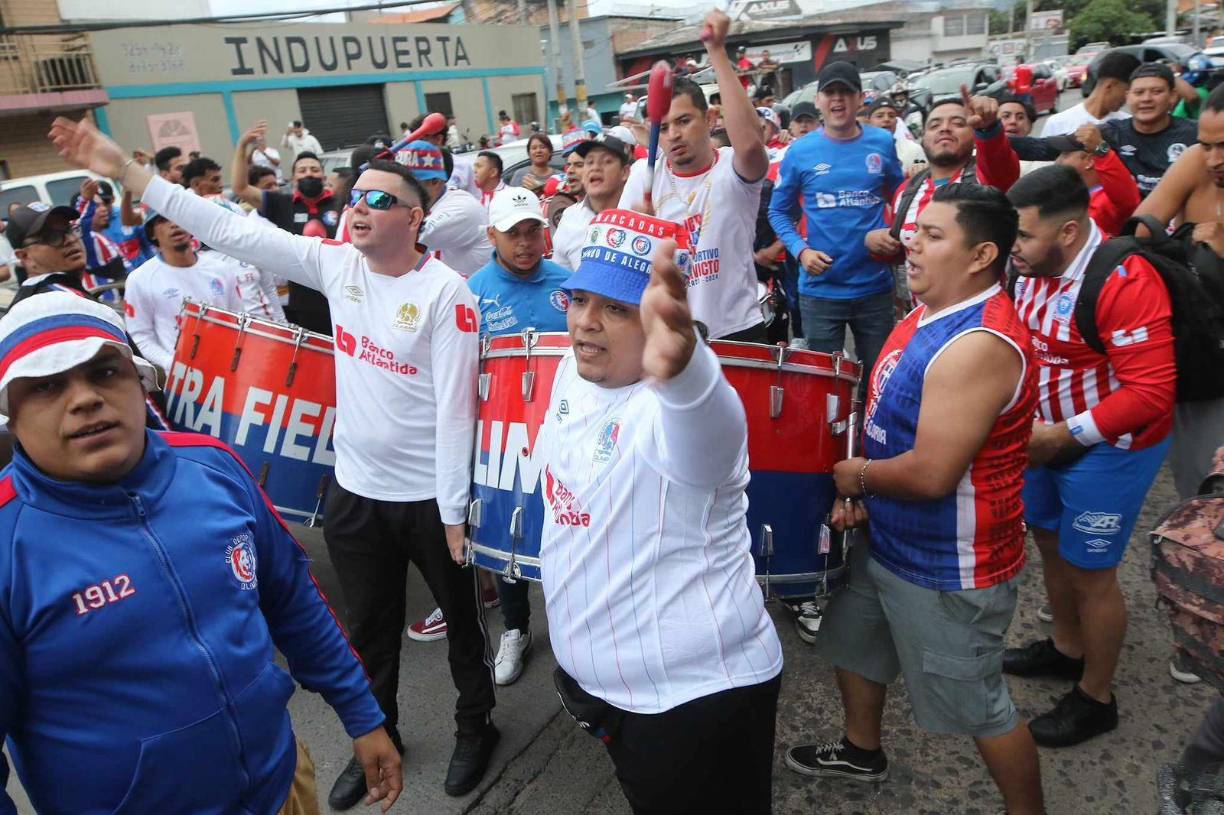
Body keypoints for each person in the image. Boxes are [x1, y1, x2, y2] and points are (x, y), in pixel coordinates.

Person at [50, 115, 500, 806]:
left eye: (379, 200)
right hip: (355, 494)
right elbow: (230, 229)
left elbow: (455, 413)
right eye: (356, 195)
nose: (359, 207)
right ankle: (379, 735)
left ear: (416, 218)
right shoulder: (336, 265)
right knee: (370, 634)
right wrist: (128, 171)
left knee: (463, 627)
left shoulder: (447, 295)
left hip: (428, 503)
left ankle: (476, 727)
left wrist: (451, 511)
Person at [0, 293, 403, 814]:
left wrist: (363, 715)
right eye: (49, 385)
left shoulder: (213, 466)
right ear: (11, 411)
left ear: (138, 382)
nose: (84, 399)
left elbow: (295, 601)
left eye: (104, 372)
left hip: (282, 787)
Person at [789, 183, 1043, 815]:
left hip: (947, 565)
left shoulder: (978, 343)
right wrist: (867, 493)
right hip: (889, 536)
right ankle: (860, 749)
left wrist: (858, 479)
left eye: (932, 235)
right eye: (915, 229)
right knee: (853, 646)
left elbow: (932, 473)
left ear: (982, 254)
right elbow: (887, 420)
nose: (912, 242)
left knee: (979, 706)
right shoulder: (927, 310)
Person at [538, 210, 783, 812]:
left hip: (691, 704)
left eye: (618, 310)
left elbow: (709, 435)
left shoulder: (668, 408)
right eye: (579, 300)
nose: (587, 323)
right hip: (614, 694)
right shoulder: (576, 368)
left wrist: (689, 370)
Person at [1004, 165, 1176, 747]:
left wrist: (1064, 435)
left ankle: (1096, 698)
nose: (1013, 247)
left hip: (1112, 447)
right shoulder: (1032, 265)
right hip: (1046, 438)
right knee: (1049, 538)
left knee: (1092, 570)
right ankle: (1066, 649)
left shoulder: (1125, 280)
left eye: (1023, 235)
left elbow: (1153, 391)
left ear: (1071, 233)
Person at [453, 187, 571, 685]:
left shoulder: (570, 281)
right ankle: (517, 627)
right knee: (512, 531)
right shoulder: (471, 292)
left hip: (568, 428)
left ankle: (576, 632)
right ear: (491, 236)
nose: (525, 243)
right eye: (513, 234)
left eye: (532, 232)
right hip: (502, 435)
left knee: (572, 527)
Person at [619, 10, 770, 342]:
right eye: (666, 126)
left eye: (684, 121)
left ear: (711, 118)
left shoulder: (733, 168)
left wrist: (717, 50)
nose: (674, 134)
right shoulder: (643, 179)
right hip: (670, 337)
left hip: (738, 331)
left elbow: (749, 143)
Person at [769, 61, 904, 404]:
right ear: (818, 100)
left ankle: (870, 448)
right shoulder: (800, 151)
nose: (838, 99)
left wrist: (893, 233)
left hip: (874, 288)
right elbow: (778, 211)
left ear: (860, 98)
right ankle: (829, 454)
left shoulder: (882, 143)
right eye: (831, 92)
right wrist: (801, 250)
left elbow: (901, 198)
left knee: (879, 381)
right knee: (827, 389)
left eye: (846, 92)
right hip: (821, 291)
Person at [1135, 82, 1224, 501]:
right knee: (1202, 492)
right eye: (1205, 145)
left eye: (1223, 146)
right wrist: (1186, 244)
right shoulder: (1197, 165)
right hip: (1206, 360)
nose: (1213, 159)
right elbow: (1139, 232)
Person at [232, 121, 343, 335]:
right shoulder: (282, 204)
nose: (308, 173)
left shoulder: (342, 203)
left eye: (314, 169)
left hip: (342, 296)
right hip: (304, 304)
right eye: (302, 170)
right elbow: (240, 188)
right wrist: (242, 146)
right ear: (293, 179)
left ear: (323, 176)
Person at [880, 93, 1020, 258]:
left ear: (974, 134)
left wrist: (988, 129)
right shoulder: (905, 192)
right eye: (934, 125)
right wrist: (878, 243)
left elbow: (998, 159)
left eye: (958, 123)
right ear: (923, 139)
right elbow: (899, 252)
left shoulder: (986, 180)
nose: (945, 128)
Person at [123, 213, 244, 372]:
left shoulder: (221, 269)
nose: (174, 224)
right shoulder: (139, 279)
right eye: (163, 220)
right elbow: (139, 337)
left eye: (178, 216)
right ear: (152, 232)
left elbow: (240, 321)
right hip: (183, 382)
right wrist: (171, 363)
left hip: (228, 370)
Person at [402, 140, 492, 278]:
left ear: (435, 182)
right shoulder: (427, 204)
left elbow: (401, 240)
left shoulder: (461, 207)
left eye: (410, 183)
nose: (401, 189)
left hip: (477, 295)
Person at [554, 133, 634, 272]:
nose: (595, 168)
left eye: (606, 161)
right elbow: (561, 280)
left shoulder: (641, 214)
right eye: (589, 162)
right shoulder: (569, 219)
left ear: (625, 172)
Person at [1051, 126, 1140, 237]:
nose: (1057, 161)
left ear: (1089, 160)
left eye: (1065, 154)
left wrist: (1101, 150)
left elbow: (1129, 201)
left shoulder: (1109, 202)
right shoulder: (1070, 192)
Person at [1042, 51, 1140, 137]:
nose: (1128, 98)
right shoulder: (1057, 123)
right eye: (1127, 91)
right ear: (1109, 86)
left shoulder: (1129, 124)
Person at [867, 96, 925, 173]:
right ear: (868, 121)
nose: (886, 119)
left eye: (891, 116)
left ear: (897, 121)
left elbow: (924, 181)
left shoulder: (914, 150)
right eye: (879, 116)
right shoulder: (860, 150)